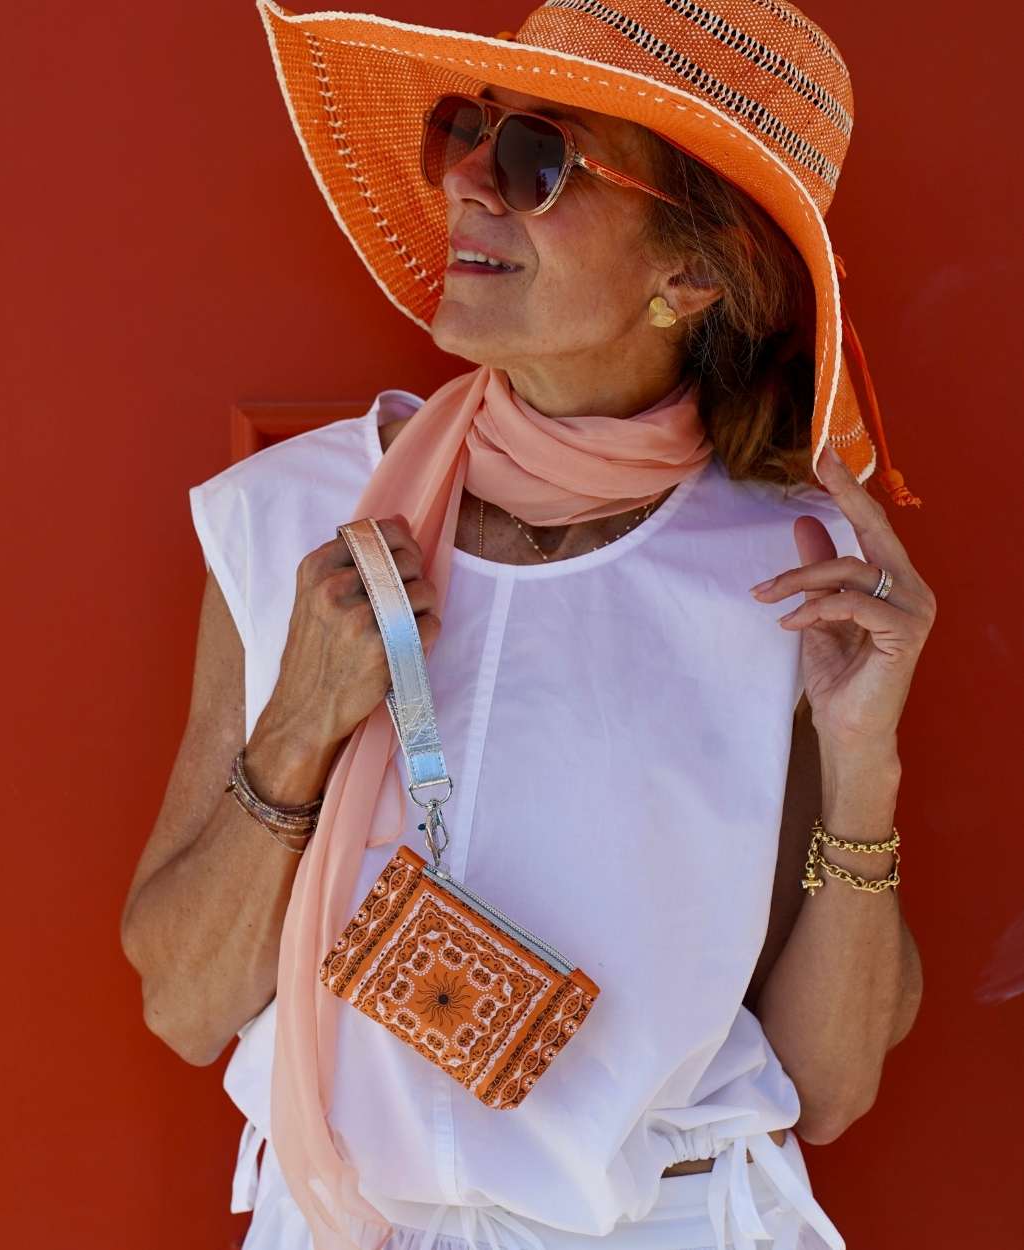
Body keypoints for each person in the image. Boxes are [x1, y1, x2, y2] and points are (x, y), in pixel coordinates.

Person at [121, 2, 936, 1248]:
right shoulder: (294, 518)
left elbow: (829, 1089)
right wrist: (299, 725)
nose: (462, 183)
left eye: (533, 161)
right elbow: (182, 1001)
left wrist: (864, 760)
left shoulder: (786, 572)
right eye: (468, 133)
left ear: (691, 272)